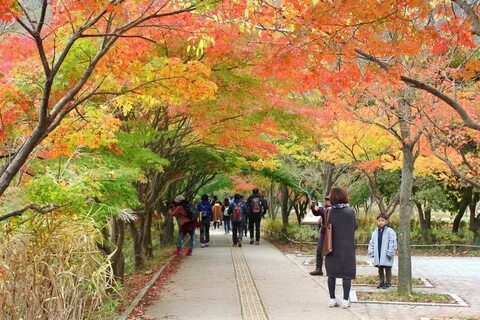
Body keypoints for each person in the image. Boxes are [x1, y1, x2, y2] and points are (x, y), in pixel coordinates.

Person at [325, 187, 357, 309]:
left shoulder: (329, 211)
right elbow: (355, 226)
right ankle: (345, 300)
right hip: (347, 247)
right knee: (346, 275)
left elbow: (325, 227)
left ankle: (332, 299)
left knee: (331, 274)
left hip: (332, 247)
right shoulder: (350, 212)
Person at [368, 213, 398, 289]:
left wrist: (390, 252)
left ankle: (388, 282)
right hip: (378, 252)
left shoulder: (390, 231)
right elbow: (372, 242)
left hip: (386, 253)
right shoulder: (375, 232)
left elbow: (392, 242)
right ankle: (381, 282)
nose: (381, 222)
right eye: (379, 220)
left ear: (386, 221)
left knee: (387, 268)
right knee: (380, 268)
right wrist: (371, 251)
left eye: (383, 220)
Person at [309, 196, 331, 276]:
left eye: (329, 200)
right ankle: (318, 269)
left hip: (332, 233)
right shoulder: (324, 209)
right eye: (327, 200)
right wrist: (313, 208)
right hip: (323, 232)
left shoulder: (334, 210)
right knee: (319, 250)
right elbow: (317, 212)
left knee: (330, 252)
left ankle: (330, 270)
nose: (327, 201)